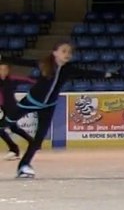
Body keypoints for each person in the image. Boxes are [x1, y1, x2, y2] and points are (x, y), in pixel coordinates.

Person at [4, 42, 116, 178]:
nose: (67, 54)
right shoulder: (44, 64)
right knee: (5, 123)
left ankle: (24, 166)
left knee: (38, 139)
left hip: (48, 106)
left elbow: (87, 72)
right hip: (31, 102)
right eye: (64, 51)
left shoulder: (69, 69)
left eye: (69, 52)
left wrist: (107, 74)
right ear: (55, 53)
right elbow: (21, 61)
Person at [0, 63, 35, 161]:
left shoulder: (12, 79)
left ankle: (14, 149)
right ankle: (33, 142)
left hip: (12, 108)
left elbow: (29, 80)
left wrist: (40, 85)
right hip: (4, 108)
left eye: (4, 69)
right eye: (0, 69)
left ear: (8, 70)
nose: (2, 71)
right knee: (14, 128)